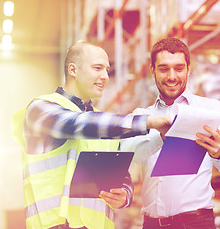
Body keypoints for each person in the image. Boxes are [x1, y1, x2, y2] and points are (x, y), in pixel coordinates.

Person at [11, 41, 172, 229]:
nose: (104, 76)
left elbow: (119, 171)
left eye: (107, 70)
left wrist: (125, 194)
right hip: (54, 224)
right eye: (97, 68)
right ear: (73, 70)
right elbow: (77, 124)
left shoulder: (100, 121)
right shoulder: (41, 109)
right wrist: (147, 121)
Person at [120, 37, 220, 229]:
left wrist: (219, 153)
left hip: (196, 223)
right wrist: (161, 136)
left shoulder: (210, 109)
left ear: (188, 69)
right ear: (152, 70)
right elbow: (126, 154)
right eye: (163, 69)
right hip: (152, 224)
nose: (171, 76)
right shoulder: (143, 116)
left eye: (178, 68)